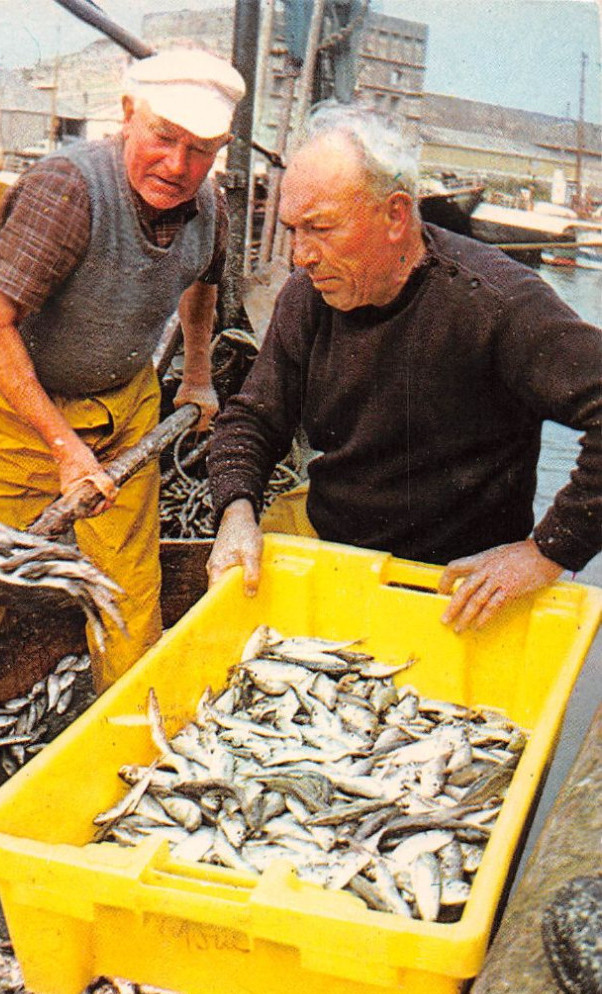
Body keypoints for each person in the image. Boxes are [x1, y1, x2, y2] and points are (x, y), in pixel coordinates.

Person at [0, 48, 246, 870]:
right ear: (128, 114)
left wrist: (194, 375)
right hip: (9, 418)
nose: (179, 165)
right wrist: (59, 447)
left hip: (123, 409)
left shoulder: (208, 207)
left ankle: (130, 759)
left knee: (129, 598)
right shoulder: (67, 193)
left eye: (201, 151)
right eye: (163, 138)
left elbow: (200, 283)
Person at [207, 103, 601, 625]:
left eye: (321, 228)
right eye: (292, 229)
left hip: (458, 585)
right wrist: (236, 511)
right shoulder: (309, 296)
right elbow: (253, 417)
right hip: (335, 547)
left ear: (396, 215)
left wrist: (548, 552)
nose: (301, 255)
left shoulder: (495, 304)